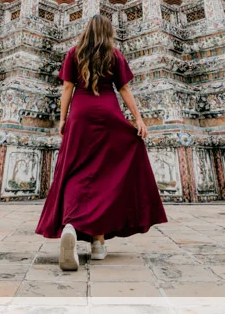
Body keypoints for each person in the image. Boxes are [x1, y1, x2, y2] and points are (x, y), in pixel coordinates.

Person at [36, 14, 167, 270]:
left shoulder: (74, 52)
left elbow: (67, 88)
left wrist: (63, 120)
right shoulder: (114, 54)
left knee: (75, 170)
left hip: (81, 115)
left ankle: (71, 225)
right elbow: (125, 89)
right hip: (109, 114)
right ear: (108, 33)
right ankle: (97, 244)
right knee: (106, 176)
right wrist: (138, 120)